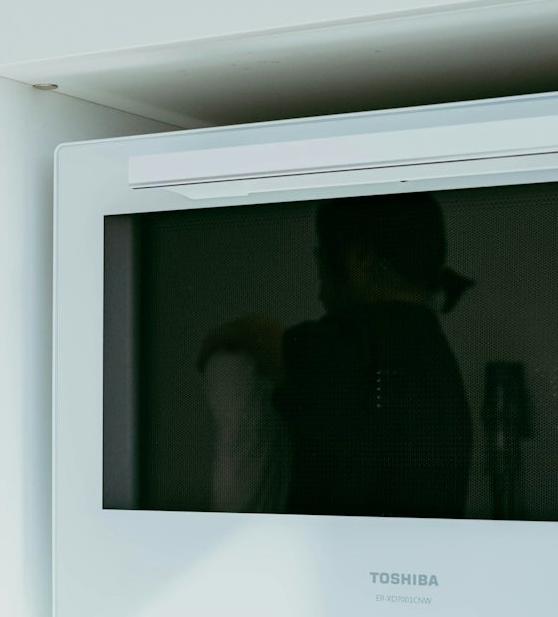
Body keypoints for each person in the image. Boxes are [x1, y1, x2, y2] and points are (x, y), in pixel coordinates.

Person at [198, 193, 474, 518]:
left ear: (361, 260)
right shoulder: (433, 350)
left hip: (347, 557)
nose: (320, 289)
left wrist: (228, 335)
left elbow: (268, 342)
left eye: (321, 263)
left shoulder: (352, 337)